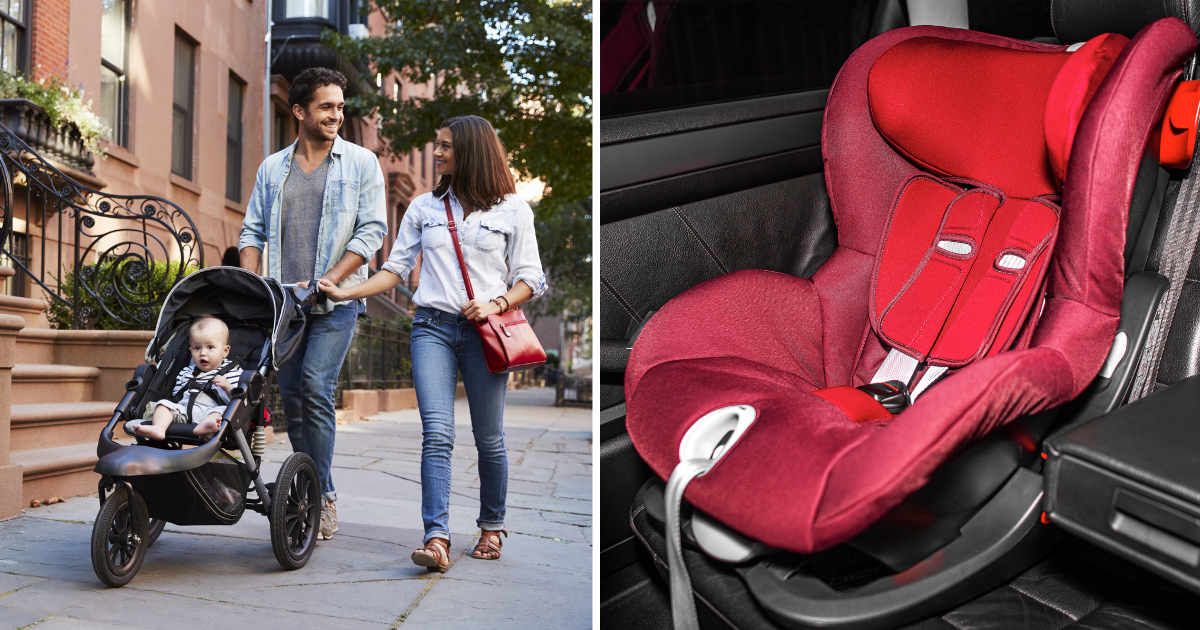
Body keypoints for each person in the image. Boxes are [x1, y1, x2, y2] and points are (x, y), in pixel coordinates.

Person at [319, 115, 547, 572]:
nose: (437, 153)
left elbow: (531, 278)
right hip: (432, 329)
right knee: (437, 434)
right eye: (437, 145)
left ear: (471, 153)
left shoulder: (512, 210)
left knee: (490, 439)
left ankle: (491, 525)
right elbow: (394, 269)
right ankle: (437, 536)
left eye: (445, 147)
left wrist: (496, 302)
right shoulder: (425, 208)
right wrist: (346, 290)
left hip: (486, 333)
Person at [238, 67, 387, 540]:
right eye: (327, 107)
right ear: (299, 111)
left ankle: (323, 497)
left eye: (341, 107)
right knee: (295, 400)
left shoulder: (361, 163)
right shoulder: (272, 168)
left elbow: (372, 231)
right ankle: (307, 486)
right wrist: (252, 283)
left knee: (316, 388)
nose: (337, 115)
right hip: (285, 306)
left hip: (336, 302)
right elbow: (252, 231)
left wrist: (331, 279)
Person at [131, 316, 242, 440]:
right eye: (197, 348)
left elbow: (238, 400)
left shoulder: (232, 372)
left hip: (209, 412)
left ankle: (207, 426)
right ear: (190, 350)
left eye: (210, 347)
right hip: (184, 411)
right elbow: (177, 394)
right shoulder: (187, 371)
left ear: (225, 351)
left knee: (223, 411)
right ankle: (159, 428)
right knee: (163, 405)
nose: (203, 353)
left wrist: (228, 387)